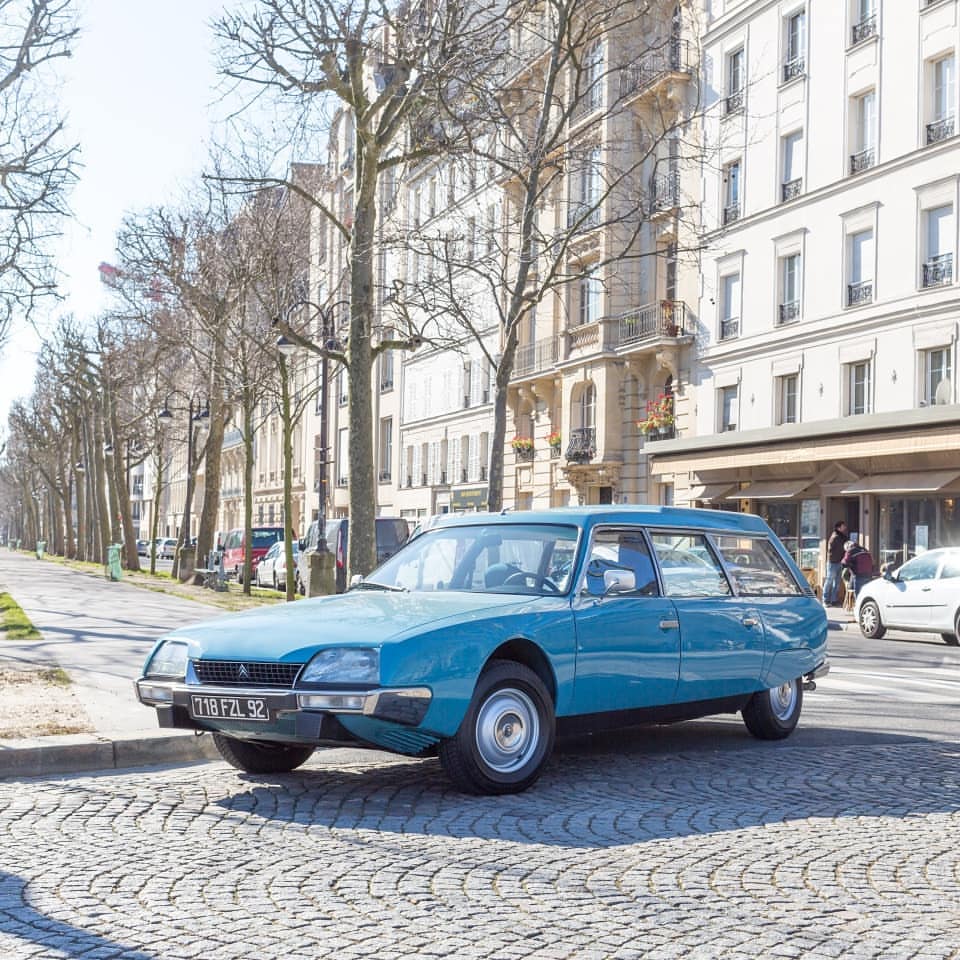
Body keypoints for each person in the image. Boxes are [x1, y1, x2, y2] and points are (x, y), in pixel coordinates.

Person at [822, 520, 848, 605]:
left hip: (840, 562)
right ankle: (825, 599)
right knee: (829, 580)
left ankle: (834, 600)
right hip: (833, 563)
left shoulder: (842, 536)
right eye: (843, 526)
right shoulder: (835, 536)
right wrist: (834, 556)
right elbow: (830, 549)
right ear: (838, 527)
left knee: (837, 582)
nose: (845, 527)